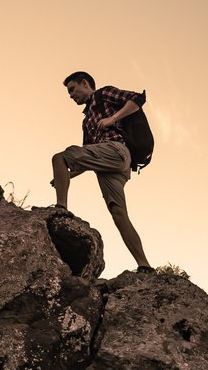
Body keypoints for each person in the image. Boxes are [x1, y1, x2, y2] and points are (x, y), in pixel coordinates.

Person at [51, 71, 152, 272]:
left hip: (117, 150)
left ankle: (60, 209)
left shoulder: (103, 94)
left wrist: (112, 118)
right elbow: (86, 158)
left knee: (59, 157)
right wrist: (68, 174)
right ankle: (145, 266)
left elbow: (137, 99)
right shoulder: (87, 120)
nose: (71, 95)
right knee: (118, 213)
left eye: (72, 89)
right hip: (108, 166)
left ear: (85, 83)